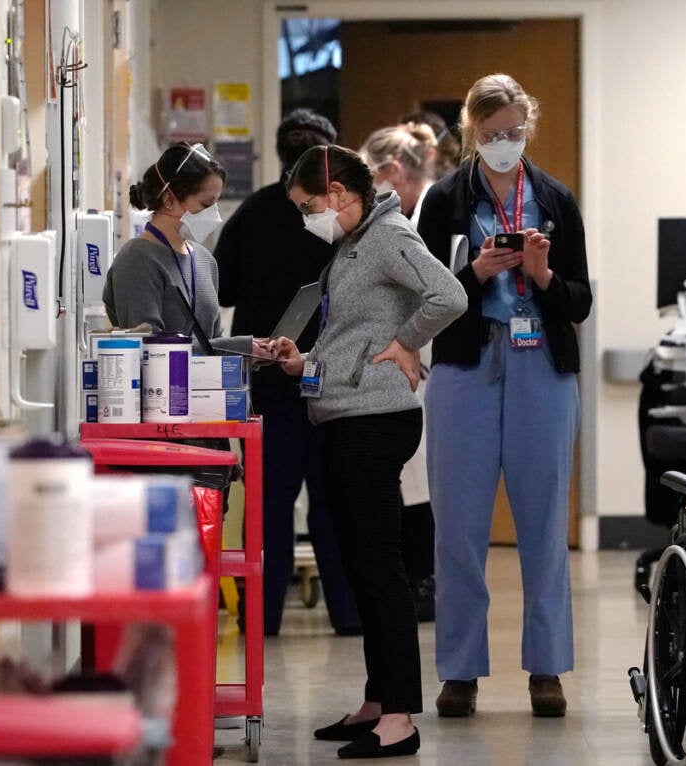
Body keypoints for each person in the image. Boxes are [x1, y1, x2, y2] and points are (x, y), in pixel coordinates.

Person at [270, 145, 466, 759]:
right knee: (360, 568)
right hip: (345, 410)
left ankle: (401, 716)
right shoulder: (351, 245)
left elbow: (449, 294)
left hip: (376, 420)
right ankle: (379, 700)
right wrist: (306, 363)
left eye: (308, 207)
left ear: (336, 196)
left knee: (380, 571)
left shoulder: (387, 236)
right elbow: (352, 330)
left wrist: (408, 344)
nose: (307, 219)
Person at [416, 73, 592, 718]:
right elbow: (422, 300)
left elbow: (581, 300)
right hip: (467, 364)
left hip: (541, 365)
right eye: (491, 136)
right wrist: (474, 274)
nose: (503, 144)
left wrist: (542, 276)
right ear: (471, 132)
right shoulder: (441, 201)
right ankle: (460, 670)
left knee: (543, 520)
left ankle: (546, 668)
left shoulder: (555, 199)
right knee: (458, 524)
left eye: (514, 134)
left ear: (529, 128)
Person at [213, 108, 361, 638]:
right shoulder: (346, 216)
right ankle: (347, 615)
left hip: (269, 378)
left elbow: (223, 290)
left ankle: (263, 618)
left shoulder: (251, 213)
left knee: (270, 502)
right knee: (332, 500)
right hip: (331, 374)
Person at [360, 121, 441, 622]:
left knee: (420, 480)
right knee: (414, 479)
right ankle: (418, 579)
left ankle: (424, 580)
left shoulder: (422, 212)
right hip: (414, 354)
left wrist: (407, 342)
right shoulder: (410, 212)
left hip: (424, 356)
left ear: (391, 172)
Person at [103, 141, 261, 360]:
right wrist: (241, 348)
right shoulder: (137, 259)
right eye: (206, 204)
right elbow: (151, 351)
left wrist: (253, 352)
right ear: (169, 200)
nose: (213, 214)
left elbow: (214, 342)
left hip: (208, 389)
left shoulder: (205, 260)